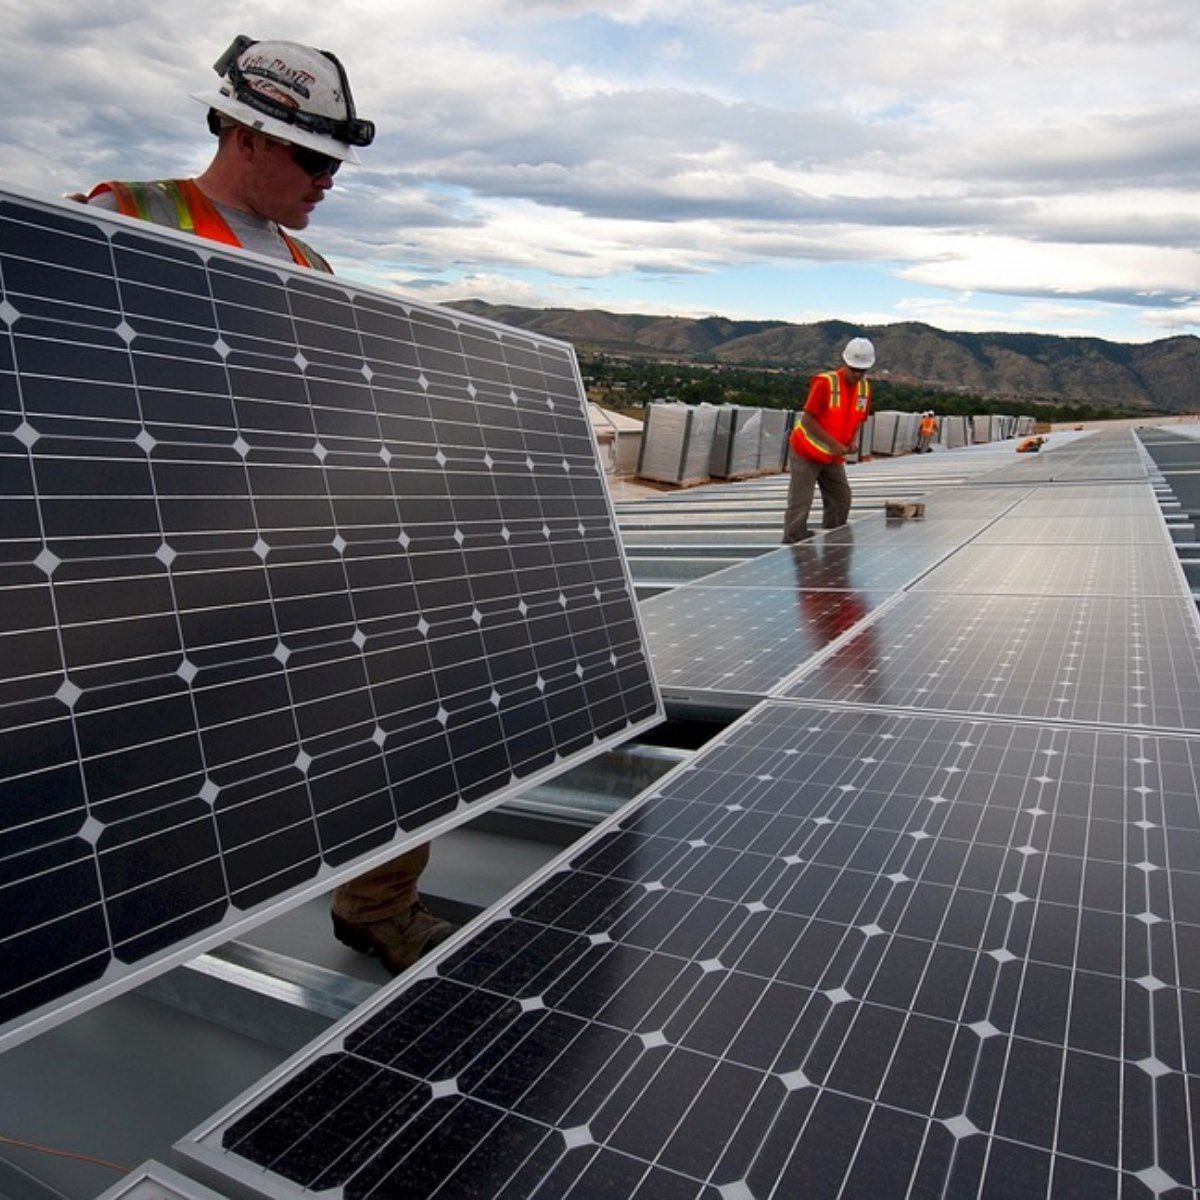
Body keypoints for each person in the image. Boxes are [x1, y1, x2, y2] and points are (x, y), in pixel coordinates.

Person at [82, 35, 456, 975]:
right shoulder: (122, 216)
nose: (329, 179)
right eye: (313, 157)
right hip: (147, 560)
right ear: (246, 134)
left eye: (337, 161)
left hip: (276, 548)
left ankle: (377, 903)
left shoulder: (311, 268)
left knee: (401, 698)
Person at [782, 337, 875, 544]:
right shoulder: (826, 383)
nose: (857, 375)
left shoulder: (864, 389)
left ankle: (833, 540)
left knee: (841, 498)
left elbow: (859, 418)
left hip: (832, 455)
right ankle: (793, 542)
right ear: (845, 363)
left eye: (862, 371)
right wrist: (833, 443)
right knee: (801, 502)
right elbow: (807, 419)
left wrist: (852, 440)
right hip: (807, 450)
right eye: (854, 369)